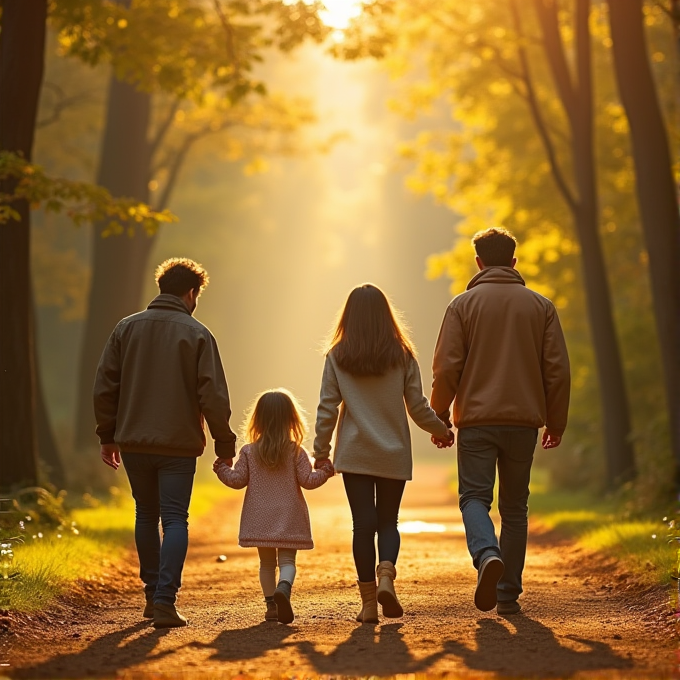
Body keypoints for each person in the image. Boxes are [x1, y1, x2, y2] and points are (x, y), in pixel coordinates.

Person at [430, 227, 570, 616]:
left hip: (475, 421)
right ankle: (507, 591)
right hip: (524, 422)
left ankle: (487, 554)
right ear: (514, 261)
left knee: (474, 497)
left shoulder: (461, 306)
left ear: (478, 262)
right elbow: (556, 372)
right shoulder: (541, 307)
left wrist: (439, 414)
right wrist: (555, 423)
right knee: (515, 507)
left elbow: (446, 369)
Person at [93, 257, 237, 628]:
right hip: (177, 445)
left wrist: (107, 436)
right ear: (191, 293)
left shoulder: (125, 329)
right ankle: (164, 601)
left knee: (145, 513)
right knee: (174, 519)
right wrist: (224, 442)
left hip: (134, 443)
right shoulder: (198, 334)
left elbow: (105, 387)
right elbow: (214, 396)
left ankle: (151, 592)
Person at [313, 283, 453, 624]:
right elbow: (418, 406)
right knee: (388, 521)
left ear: (349, 316)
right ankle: (387, 574)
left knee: (363, 526)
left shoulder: (337, 356)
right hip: (393, 452)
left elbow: (327, 408)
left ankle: (368, 605)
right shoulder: (403, 355)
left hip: (355, 453)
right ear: (385, 315)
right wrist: (442, 430)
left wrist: (321, 451)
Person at [214, 389, 333, 624]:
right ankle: (284, 589)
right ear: (291, 420)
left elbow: (237, 480)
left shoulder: (249, 451)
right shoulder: (295, 451)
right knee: (287, 562)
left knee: (266, 563)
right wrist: (326, 471)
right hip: (289, 516)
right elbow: (308, 481)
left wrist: (221, 469)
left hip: (260, 518)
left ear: (257, 420)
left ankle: (271, 606)